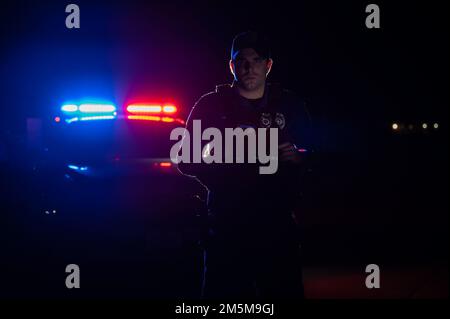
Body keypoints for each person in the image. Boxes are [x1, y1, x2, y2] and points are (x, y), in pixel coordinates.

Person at [177, 31, 312, 299]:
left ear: (268, 65)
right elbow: (185, 158)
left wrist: (298, 156)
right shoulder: (211, 106)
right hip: (227, 227)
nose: (249, 68)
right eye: (242, 61)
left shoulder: (289, 105)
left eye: (257, 60)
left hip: (277, 227)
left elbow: (316, 150)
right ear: (231, 66)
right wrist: (217, 164)